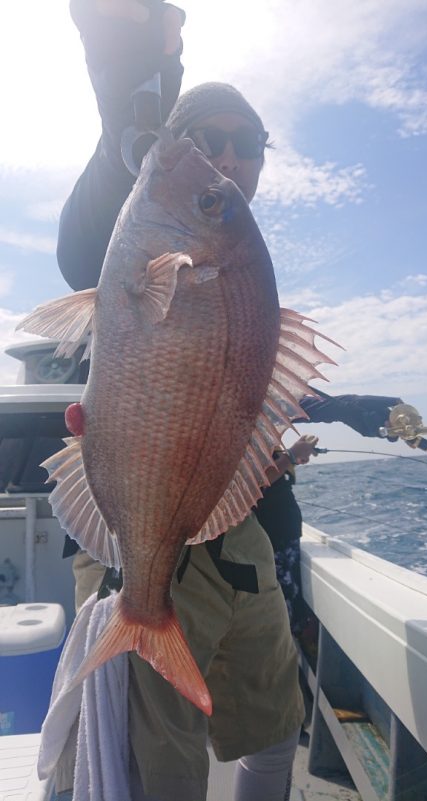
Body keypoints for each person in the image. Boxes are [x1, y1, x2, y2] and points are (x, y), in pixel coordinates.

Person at [54, 3, 306, 800]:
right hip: (148, 543)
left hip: (248, 543)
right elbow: (86, 229)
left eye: (247, 146)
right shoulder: (129, 215)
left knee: (273, 728)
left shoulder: (238, 259)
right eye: (211, 142)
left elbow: (239, 390)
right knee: (158, 765)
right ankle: (141, 609)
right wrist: (134, 65)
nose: (229, 159)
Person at [255, 389, 403, 635]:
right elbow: (247, 487)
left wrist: (351, 405)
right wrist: (291, 455)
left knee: (291, 610)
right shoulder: (232, 411)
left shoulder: (262, 405)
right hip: (268, 536)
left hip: (281, 530)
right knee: (283, 619)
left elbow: (306, 407)